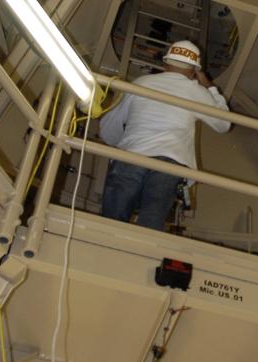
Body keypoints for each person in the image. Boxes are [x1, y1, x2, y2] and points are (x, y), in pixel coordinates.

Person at [99, 39, 231, 232]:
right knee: (151, 222)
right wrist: (209, 85)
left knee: (111, 222)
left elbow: (108, 128)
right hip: (170, 161)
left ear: (165, 63)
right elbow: (223, 124)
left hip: (131, 154)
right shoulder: (197, 91)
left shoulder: (141, 83)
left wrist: (124, 143)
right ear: (194, 70)